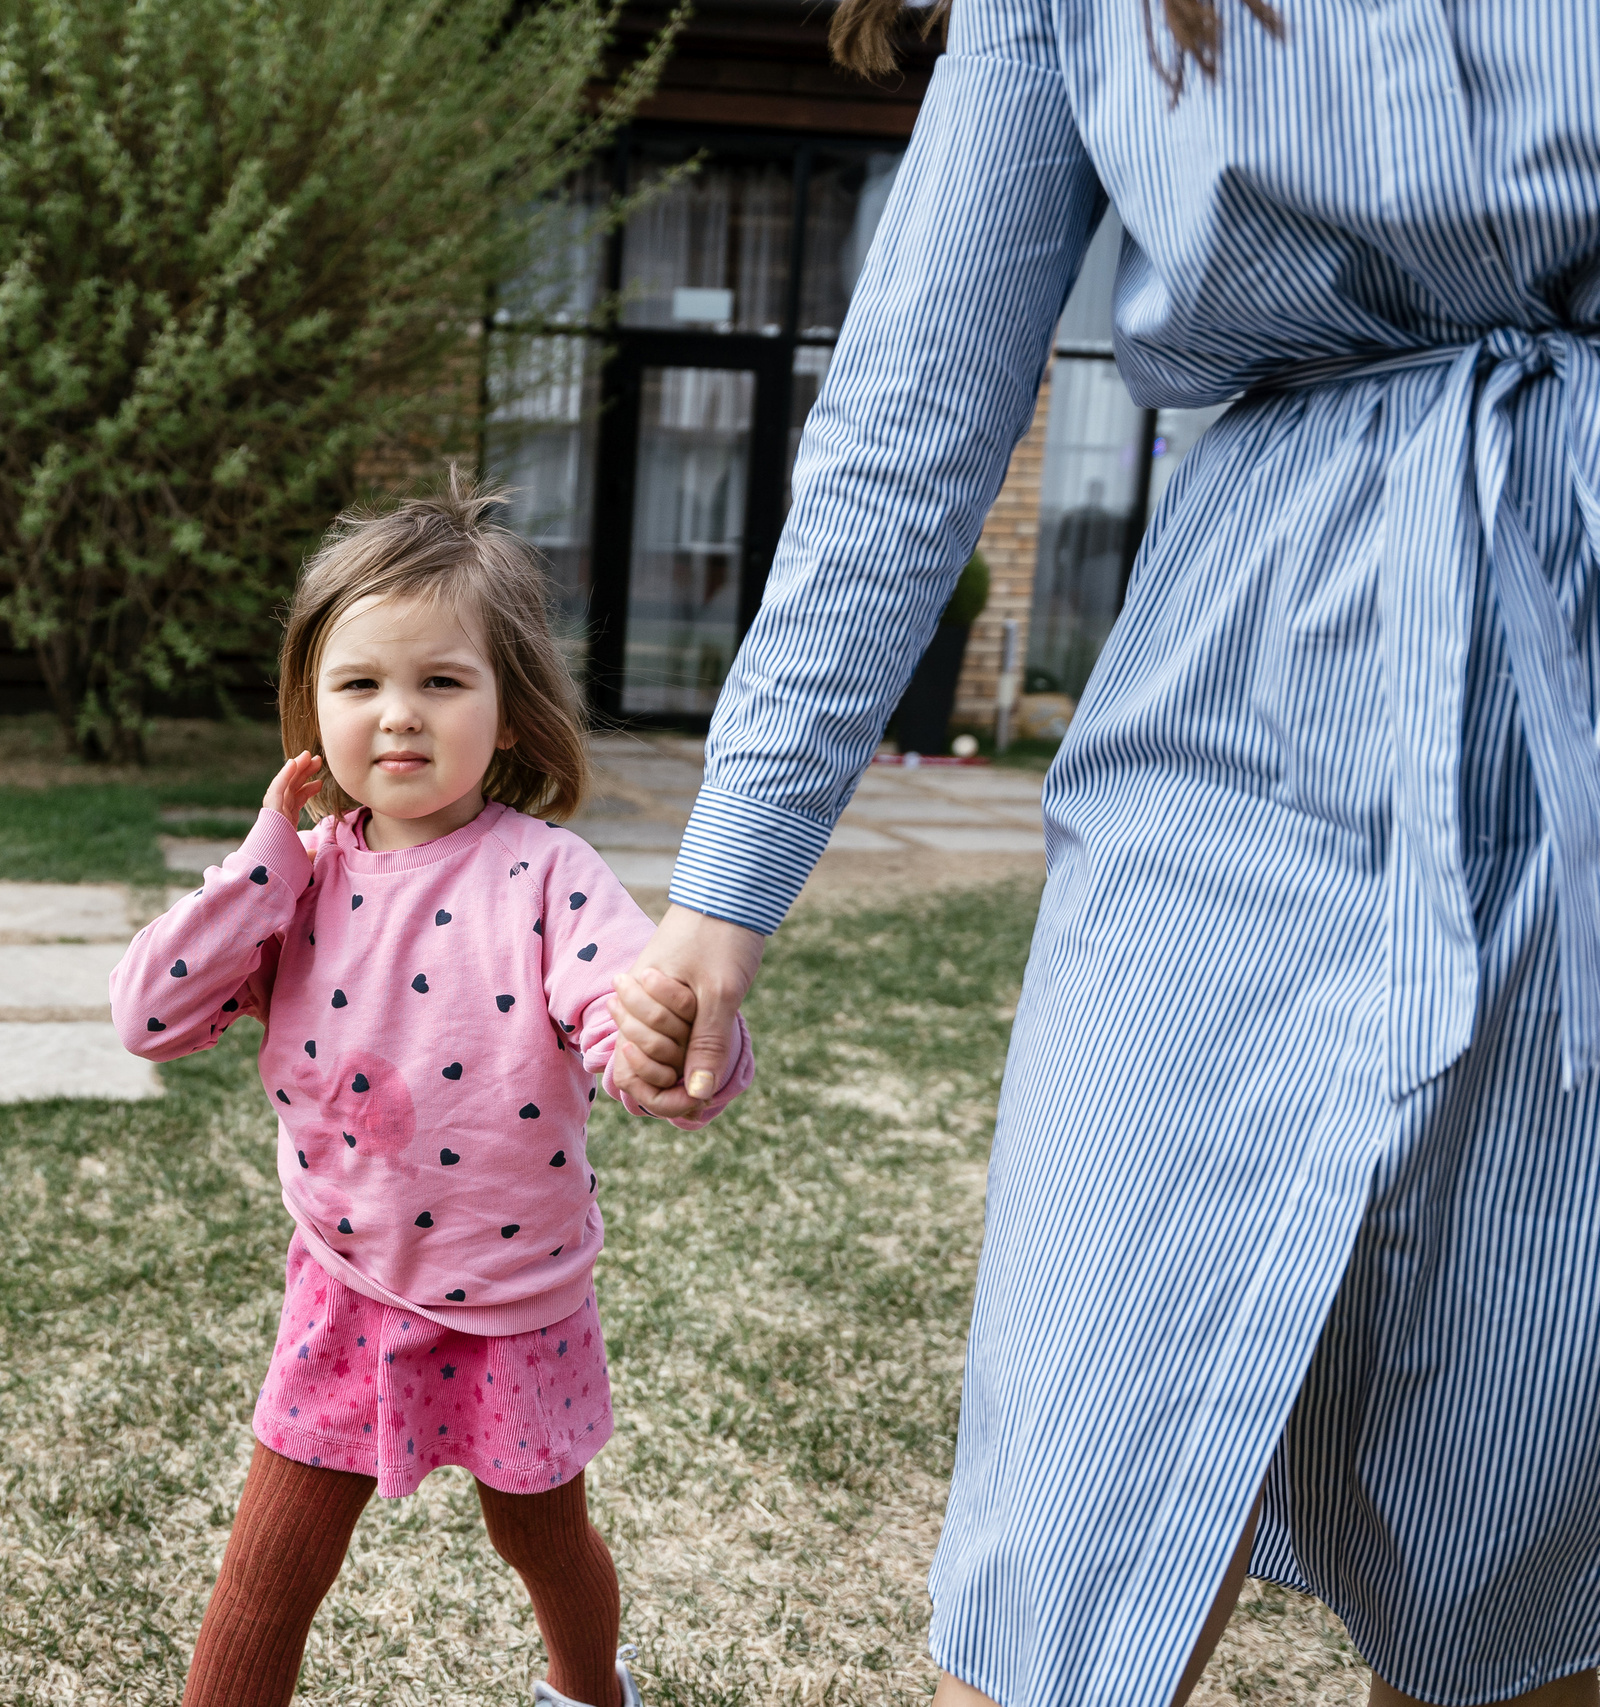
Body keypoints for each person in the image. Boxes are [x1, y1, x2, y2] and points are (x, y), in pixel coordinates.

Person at [605, 2, 1600, 1705]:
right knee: (1068, 1537)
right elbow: (921, 397)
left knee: (1524, 1560)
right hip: (1243, 703)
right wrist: (727, 884)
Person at [113, 484, 752, 1707]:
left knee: (543, 1541)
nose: (398, 717)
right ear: (312, 708)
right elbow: (149, 1018)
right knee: (269, 1569)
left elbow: (621, 1007)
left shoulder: (546, 873)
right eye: (360, 685)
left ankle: (587, 1688)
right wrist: (262, 866)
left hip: (518, 1299)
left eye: (442, 683)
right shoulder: (289, 884)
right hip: (344, 1288)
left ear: (509, 712)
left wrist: (659, 1047)